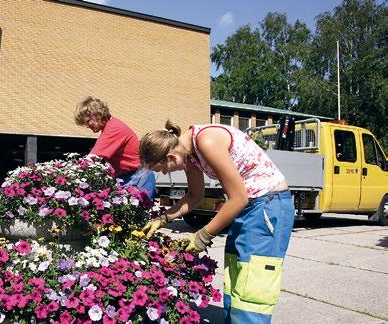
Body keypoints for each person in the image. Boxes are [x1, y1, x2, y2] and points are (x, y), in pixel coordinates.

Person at [140, 120, 294, 324]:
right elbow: (195, 196)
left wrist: (203, 235)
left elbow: (239, 197)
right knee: (237, 275)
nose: (165, 173)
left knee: (252, 285)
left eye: (162, 169)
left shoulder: (207, 141)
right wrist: (162, 219)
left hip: (267, 205)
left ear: (170, 156)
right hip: (249, 207)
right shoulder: (189, 152)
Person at [74, 96, 155, 200]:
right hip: (131, 177)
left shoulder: (113, 129)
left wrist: (67, 174)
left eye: (88, 121)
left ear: (96, 114)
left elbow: (91, 159)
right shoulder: (112, 126)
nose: (87, 126)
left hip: (137, 178)